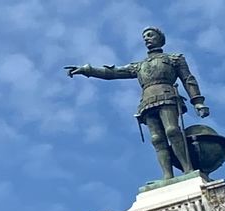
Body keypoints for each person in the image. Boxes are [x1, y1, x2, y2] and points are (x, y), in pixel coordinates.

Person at [66, 27, 210, 180]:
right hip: (147, 101)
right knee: (157, 139)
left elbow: (188, 79)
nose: (146, 38)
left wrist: (198, 102)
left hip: (167, 96)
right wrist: (86, 70)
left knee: (172, 130)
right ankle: (167, 176)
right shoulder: (139, 66)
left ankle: (188, 169)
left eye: (150, 35)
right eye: (144, 37)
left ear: (160, 38)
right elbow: (112, 72)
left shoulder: (174, 58)